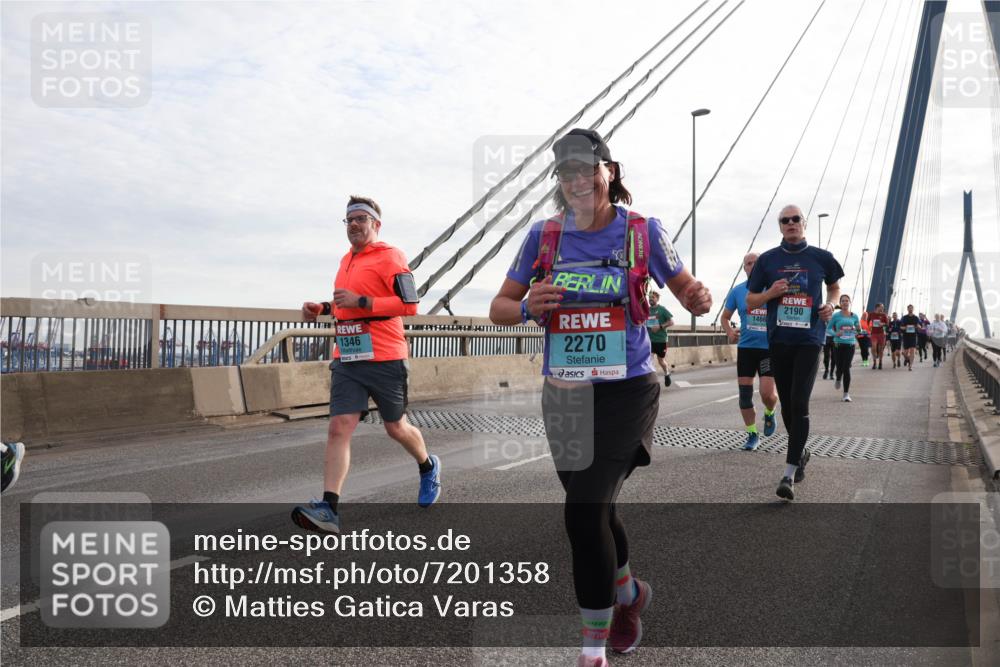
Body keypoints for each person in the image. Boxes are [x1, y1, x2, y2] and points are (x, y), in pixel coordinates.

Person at [489, 128, 712, 666]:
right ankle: (630, 594)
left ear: (608, 171)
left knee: (583, 512)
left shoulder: (642, 231)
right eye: (564, 174)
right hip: (564, 394)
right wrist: (526, 307)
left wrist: (698, 297)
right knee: (594, 508)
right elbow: (498, 307)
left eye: (585, 169)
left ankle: (593, 651)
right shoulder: (543, 237)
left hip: (626, 390)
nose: (575, 181)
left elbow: (684, 289)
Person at [292, 195, 441, 534]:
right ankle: (329, 508)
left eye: (361, 218)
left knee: (395, 427)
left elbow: (410, 305)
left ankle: (428, 466)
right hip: (347, 357)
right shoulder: (346, 260)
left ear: (376, 224)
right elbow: (348, 306)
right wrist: (324, 307)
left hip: (386, 357)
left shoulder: (391, 257)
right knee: (339, 426)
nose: (354, 225)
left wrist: (361, 301)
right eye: (349, 220)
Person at [747, 204, 843, 501]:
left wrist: (831, 305)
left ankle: (788, 474)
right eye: (784, 220)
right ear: (780, 226)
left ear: (804, 223)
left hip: (810, 339)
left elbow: (835, 287)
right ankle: (800, 453)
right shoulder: (767, 260)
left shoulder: (821, 257)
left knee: (799, 401)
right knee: (787, 404)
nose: (790, 224)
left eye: (795, 219)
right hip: (778, 339)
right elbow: (751, 301)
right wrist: (770, 294)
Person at [721, 252, 778, 451]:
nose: (752, 266)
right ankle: (752, 434)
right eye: (748, 263)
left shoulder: (773, 290)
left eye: (756, 263)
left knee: (767, 394)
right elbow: (725, 317)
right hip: (746, 348)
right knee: (745, 396)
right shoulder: (737, 292)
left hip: (768, 350)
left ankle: (770, 412)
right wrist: (729, 331)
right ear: (744, 268)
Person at [830, 295, 860, 402]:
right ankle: (838, 378)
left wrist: (858, 329)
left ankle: (846, 394)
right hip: (838, 344)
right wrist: (836, 333)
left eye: (847, 301)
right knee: (839, 368)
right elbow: (828, 329)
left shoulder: (854, 316)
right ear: (840, 303)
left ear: (850, 303)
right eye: (843, 301)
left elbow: (858, 330)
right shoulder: (836, 316)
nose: (845, 303)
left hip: (850, 345)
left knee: (846, 368)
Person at [646, 290, 674, 387]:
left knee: (661, 361)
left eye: (653, 297)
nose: (650, 299)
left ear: (657, 299)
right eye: (649, 297)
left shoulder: (662, 309)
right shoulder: (647, 310)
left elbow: (671, 322)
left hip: (661, 340)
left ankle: (667, 374)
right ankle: (651, 380)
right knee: (648, 359)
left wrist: (660, 327)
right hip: (650, 340)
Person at [899, 305, 920, 371]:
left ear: (913, 309)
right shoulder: (904, 318)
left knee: (912, 351)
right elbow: (901, 327)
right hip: (906, 336)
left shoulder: (916, 318)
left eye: (911, 308)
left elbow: (919, 325)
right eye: (909, 308)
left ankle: (910, 366)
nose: (910, 309)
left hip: (913, 336)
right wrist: (906, 327)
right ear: (907, 309)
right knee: (904, 353)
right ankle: (907, 359)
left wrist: (918, 326)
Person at [869, 303, 889, 370]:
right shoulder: (871, 314)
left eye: (883, 307)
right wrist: (869, 326)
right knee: (873, 347)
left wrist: (882, 324)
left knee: (881, 350)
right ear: (877, 307)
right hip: (873, 334)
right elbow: (867, 322)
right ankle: (874, 362)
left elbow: (887, 324)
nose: (882, 308)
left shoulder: (884, 315)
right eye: (881, 307)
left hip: (881, 334)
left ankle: (880, 362)